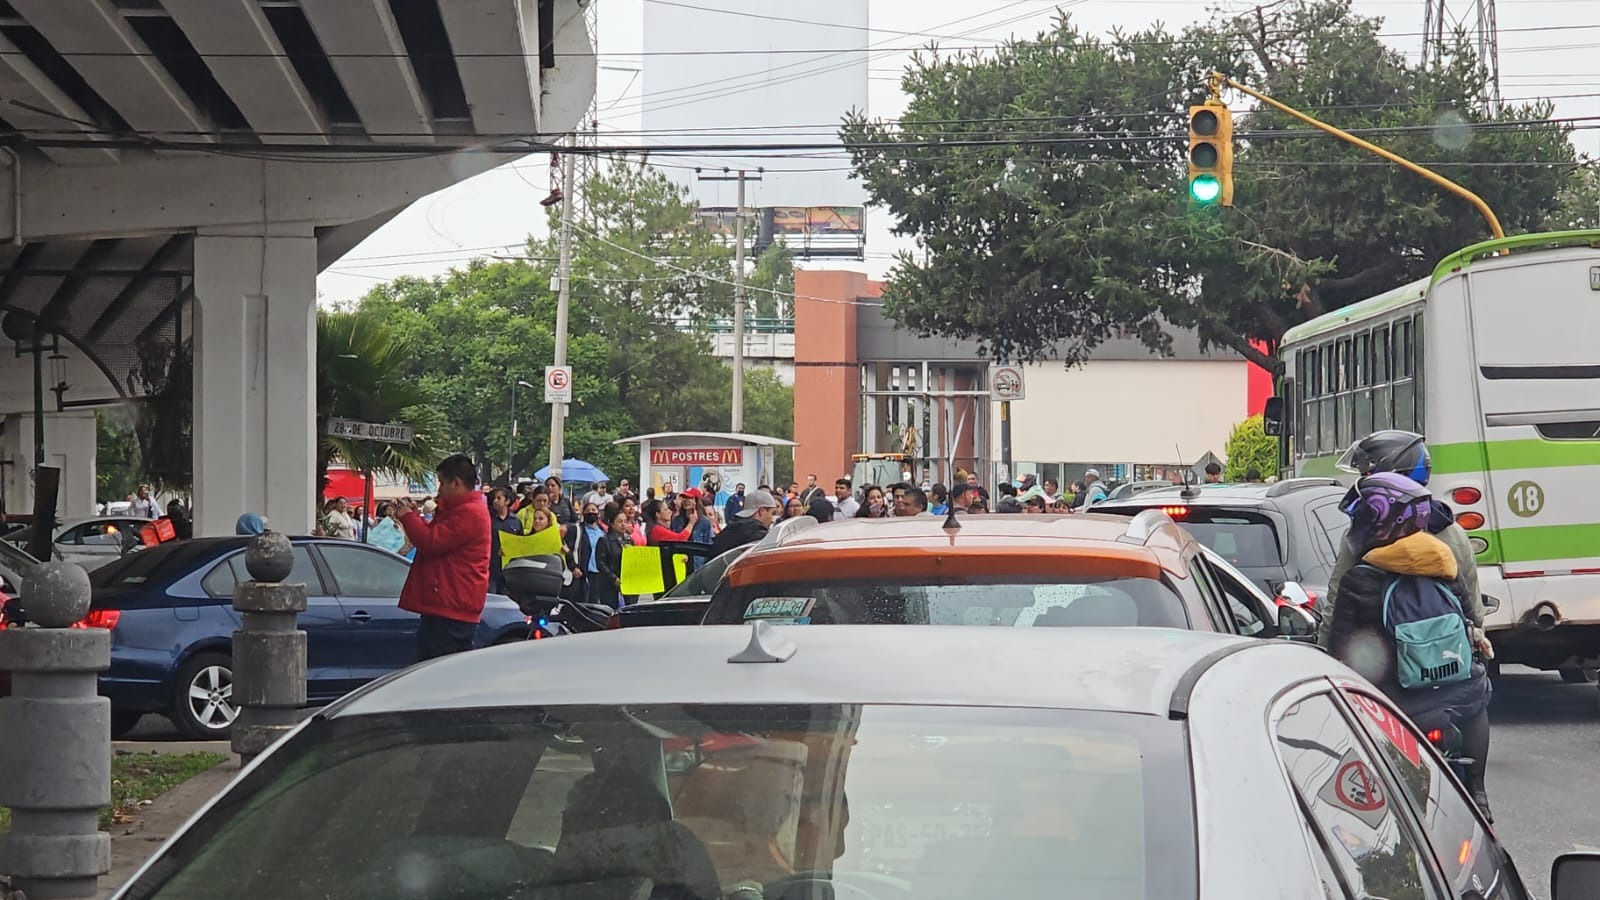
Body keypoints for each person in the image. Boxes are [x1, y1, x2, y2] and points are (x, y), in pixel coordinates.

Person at [1324, 472, 1494, 820]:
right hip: (1457, 692)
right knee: (1478, 693)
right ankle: (1478, 792)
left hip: (1395, 702)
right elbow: (1471, 618)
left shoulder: (1361, 577)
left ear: (1383, 519)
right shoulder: (1443, 562)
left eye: (1364, 515)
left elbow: (1341, 648)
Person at [1321, 430, 1487, 650]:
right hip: (1449, 661)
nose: (1362, 480)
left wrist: (1323, 654)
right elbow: (1473, 612)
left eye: (1366, 473)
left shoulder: (1363, 535)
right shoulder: (1453, 531)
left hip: (1382, 668)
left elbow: (1336, 609)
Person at [395, 454, 490, 662]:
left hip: (450, 606)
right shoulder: (465, 510)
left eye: (441, 483)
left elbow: (431, 542)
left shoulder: (469, 512)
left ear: (456, 483)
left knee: (435, 671)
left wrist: (408, 518)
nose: (439, 489)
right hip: (452, 604)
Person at [710, 488, 779, 556]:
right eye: (772, 513)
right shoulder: (759, 536)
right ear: (761, 511)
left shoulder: (730, 529)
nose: (772, 519)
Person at [591, 506, 630, 609]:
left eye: (625, 521)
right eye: (619, 521)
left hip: (627, 581)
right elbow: (601, 563)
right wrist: (613, 578)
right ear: (612, 524)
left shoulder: (629, 540)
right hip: (609, 582)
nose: (623, 524)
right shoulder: (604, 540)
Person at [486, 487, 522, 595]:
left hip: (508, 568)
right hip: (491, 566)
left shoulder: (515, 521)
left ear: (507, 501)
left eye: (499, 498)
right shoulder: (488, 519)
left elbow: (520, 542)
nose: (495, 501)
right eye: (494, 498)